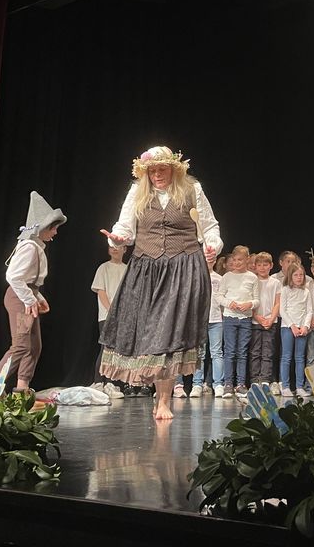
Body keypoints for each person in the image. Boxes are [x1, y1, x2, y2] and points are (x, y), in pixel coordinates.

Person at [98, 146, 222, 421]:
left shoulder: (192, 190)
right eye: (152, 171)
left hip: (183, 266)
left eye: (161, 169)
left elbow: (210, 227)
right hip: (147, 268)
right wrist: (117, 239)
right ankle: (159, 395)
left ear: (174, 170)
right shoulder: (137, 192)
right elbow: (125, 228)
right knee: (150, 333)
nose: (157, 175)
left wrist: (213, 246)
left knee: (169, 333)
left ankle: (164, 400)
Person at [0, 191, 67, 395]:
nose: (55, 232)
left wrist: (38, 297)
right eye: (53, 228)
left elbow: (29, 280)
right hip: (19, 298)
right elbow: (13, 276)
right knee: (21, 346)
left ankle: (22, 389)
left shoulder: (36, 247)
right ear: (43, 227)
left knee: (34, 346)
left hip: (27, 296)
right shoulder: (30, 247)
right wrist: (28, 299)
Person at [218, 245, 259, 400]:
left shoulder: (252, 277)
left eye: (240, 260)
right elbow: (219, 296)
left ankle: (240, 384)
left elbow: (257, 299)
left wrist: (250, 304)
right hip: (230, 317)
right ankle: (228, 383)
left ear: (247, 259)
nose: (236, 263)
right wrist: (229, 303)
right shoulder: (227, 277)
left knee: (242, 351)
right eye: (234, 260)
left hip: (245, 319)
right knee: (229, 351)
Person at [90, 244, 127, 400]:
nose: (115, 249)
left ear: (125, 249)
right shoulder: (103, 268)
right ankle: (100, 381)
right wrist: (111, 310)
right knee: (106, 348)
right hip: (107, 315)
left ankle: (110, 382)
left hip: (123, 316)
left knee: (116, 350)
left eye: (118, 246)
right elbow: (100, 290)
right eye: (112, 247)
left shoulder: (127, 269)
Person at [188, 254, 225, 397]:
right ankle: (197, 384)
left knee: (217, 353)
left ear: (214, 260)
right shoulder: (195, 277)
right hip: (199, 321)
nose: (208, 261)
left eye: (211, 259)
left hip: (216, 320)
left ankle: (218, 384)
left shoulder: (220, 279)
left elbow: (223, 300)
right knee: (199, 353)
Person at [278, 262, 313, 398]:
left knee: (300, 358)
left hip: (302, 328)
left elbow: (309, 311)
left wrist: (305, 326)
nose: (299, 277)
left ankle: (299, 387)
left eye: (301, 275)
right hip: (288, 327)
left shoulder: (306, 292)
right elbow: (282, 310)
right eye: (296, 275)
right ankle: (285, 386)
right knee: (286, 357)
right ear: (290, 276)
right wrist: (292, 326)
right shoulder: (285, 290)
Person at [249, 251, 282, 392]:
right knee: (255, 352)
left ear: (271, 266)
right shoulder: (252, 281)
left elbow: (277, 302)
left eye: (265, 264)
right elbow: (249, 301)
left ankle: (265, 379)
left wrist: (271, 319)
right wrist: (257, 317)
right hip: (255, 321)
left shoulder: (275, 282)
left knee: (268, 352)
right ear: (255, 266)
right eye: (259, 265)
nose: (262, 268)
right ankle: (255, 379)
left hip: (270, 322)